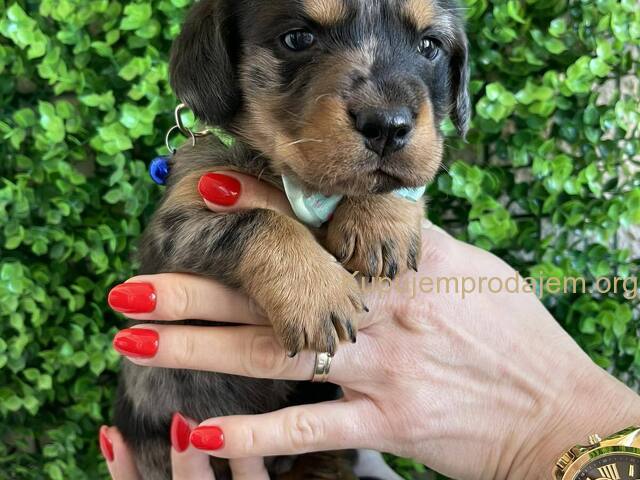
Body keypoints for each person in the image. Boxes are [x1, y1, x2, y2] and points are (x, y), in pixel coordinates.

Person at [102, 172, 640, 480]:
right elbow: (174, 237)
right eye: (299, 40)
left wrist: (547, 432)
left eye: (428, 44)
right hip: (169, 444)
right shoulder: (219, 148)